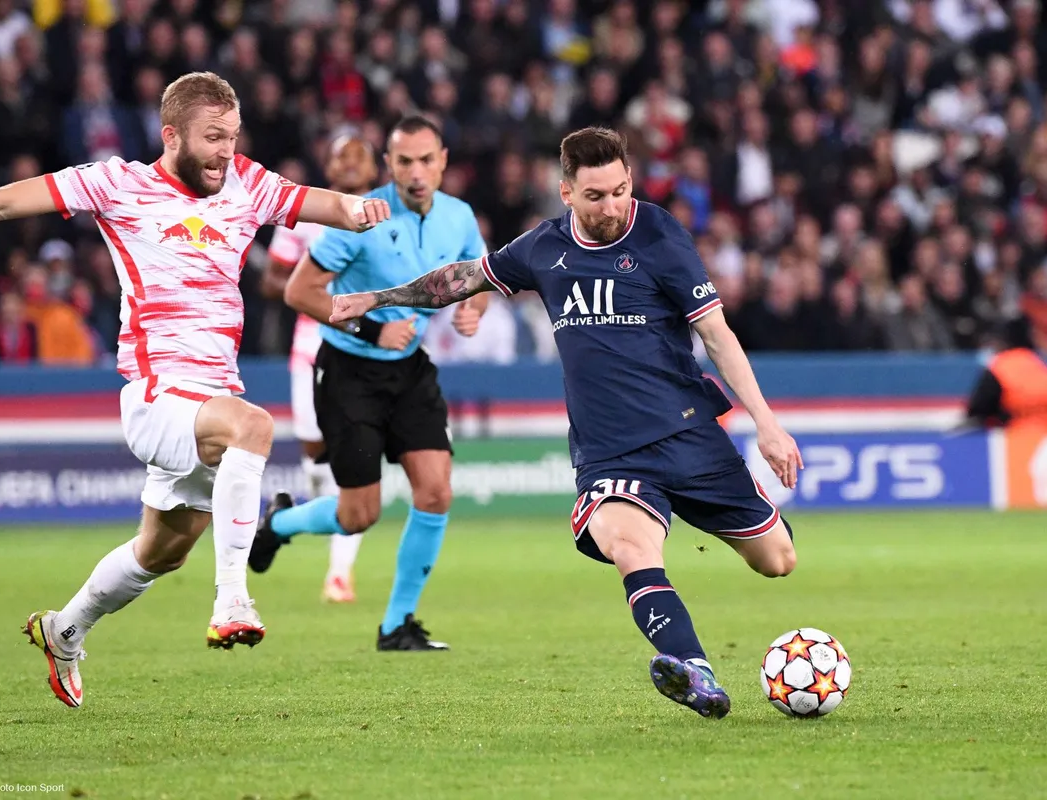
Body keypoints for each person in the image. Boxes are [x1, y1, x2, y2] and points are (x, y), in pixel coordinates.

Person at [0, 71, 389, 708]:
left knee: (162, 552)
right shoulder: (117, 184)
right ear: (172, 134)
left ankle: (64, 629)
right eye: (213, 137)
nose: (224, 152)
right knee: (255, 427)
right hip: (157, 395)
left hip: (209, 400)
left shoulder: (246, 182)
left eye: (233, 137)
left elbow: (320, 203)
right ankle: (233, 599)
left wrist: (355, 209)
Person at [329, 127, 802, 717]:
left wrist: (767, 423)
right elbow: (459, 280)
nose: (612, 206)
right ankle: (694, 670)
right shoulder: (543, 249)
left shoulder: (659, 235)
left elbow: (716, 334)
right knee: (632, 548)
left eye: (621, 190)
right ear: (567, 193)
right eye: (597, 196)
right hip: (612, 454)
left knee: (777, 560)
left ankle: (718, 531)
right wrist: (376, 299)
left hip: (687, 434)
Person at [248, 115, 488, 652]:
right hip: (349, 371)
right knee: (359, 514)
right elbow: (299, 293)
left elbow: (478, 274)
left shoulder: (459, 217)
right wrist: (372, 327)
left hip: (409, 369)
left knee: (436, 489)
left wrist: (474, 307)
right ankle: (281, 523)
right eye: (405, 161)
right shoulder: (360, 218)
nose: (417, 172)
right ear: (390, 166)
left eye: (427, 160)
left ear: (444, 160)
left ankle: (397, 625)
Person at [260, 132, 378, 603]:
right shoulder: (305, 216)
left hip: (369, 354)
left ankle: (339, 573)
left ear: (375, 168)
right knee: (316, 455)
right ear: (327, 169)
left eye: (359, 155)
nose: (350, 164)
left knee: (357, 460)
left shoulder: (395, 217)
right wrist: (314, 287)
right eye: (340, 156)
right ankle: (305, 512)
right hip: (311, 349)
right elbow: (271, 280)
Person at [963, 317, 1047, 432]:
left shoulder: (999, 368)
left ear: (1002, 342)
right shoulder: (1043, 368)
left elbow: (978, 412)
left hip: (1015, 440)